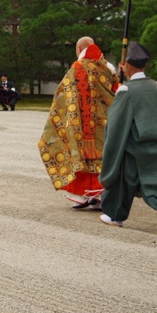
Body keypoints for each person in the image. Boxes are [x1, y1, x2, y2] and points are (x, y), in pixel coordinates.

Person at [99, 42, 157, 237]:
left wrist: (111, 150)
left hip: (135, 147)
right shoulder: (154, 86)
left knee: (123, 180)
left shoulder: (126, 91)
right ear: (144, 65)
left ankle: (115, 217)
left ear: (127, 65)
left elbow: (116, 125)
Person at [38, 37, 119, 209]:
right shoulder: (108, 67)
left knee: (78, 156)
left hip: (79, 122)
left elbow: (62, 94)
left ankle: (80, 197)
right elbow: (115, 91)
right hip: (103, 122)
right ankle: (99, 197)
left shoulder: (76, 68)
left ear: (79, 49)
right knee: (103, 158)